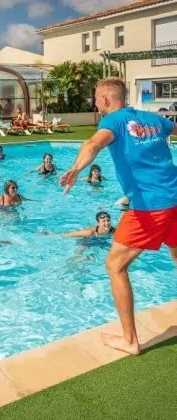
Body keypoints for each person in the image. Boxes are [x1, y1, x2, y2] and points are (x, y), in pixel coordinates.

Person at [60, 77, 177, 355]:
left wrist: (76, 168)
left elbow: (93, 144)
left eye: (96, 99)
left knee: (115, 266)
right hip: (175, 196)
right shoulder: (153, 119)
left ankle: (130, 341)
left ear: (104, 99)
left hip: (151, 206)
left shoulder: (112, 122)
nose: (96, 104)